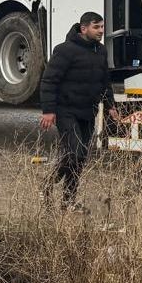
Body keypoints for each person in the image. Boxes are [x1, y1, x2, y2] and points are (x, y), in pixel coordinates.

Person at [38, 11, 111, 209]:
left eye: (102, 27)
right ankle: (48, 183)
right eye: (96, 27)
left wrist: (110, 107)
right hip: (66, 110)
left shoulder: (101, 51)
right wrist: (48, 110)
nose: (101, 31)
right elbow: (49, 80)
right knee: (74, 153)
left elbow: (105, 81)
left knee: (80, 159)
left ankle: (68, 201)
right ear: (83, 28)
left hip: (88, 112)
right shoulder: (64, 50)